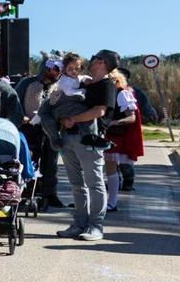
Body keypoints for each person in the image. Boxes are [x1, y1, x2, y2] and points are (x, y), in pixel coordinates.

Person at [57, 50, 119, 242]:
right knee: (77, 184)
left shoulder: (107, 85)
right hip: (70, 138)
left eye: (93, 59)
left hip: (90, 139)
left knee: (95, 184)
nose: (90, 62)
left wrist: (72, 119)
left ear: (101, 62)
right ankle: (80, 223)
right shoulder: (86, 83)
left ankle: (96, 226)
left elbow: (99, 111)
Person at [15, 57, 64, 209]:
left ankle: (50, 194)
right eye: (54, 68)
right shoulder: (27, 83)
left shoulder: (61, 86)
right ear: (46, 68)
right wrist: (21, 117)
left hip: (52, 129)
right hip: (29, 127)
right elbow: (15, 102)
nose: (57, 72)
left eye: (59, 69)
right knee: (28, 160)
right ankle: (26, 193)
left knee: (51, 163)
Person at [103, 69, 143, 212]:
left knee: (111, 169)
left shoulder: (122, 93)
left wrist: (114, 123)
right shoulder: (110, 93)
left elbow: (131, 117)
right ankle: (106, 201)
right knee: (107, 170)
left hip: (116, 136)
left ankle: (112, 202)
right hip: (107, 134)